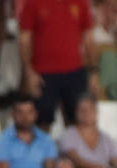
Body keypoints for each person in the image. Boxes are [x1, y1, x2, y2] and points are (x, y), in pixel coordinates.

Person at [18, 0, 94, 128]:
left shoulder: (80, 3)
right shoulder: (33, 3)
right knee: (42, 122)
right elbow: (24, 39)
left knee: (77, 124)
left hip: (74, 72)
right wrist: (29, 72)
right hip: (43, 73)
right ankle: (42, 148)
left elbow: (88, 38)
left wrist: (93, 71)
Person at [60, 93, 117, 168]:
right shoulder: (69, 134)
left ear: (96, 112)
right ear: (75, 112)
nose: (85, 113)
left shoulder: (106, 138)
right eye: (81, 110)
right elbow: (77, 161)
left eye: (89, 109)